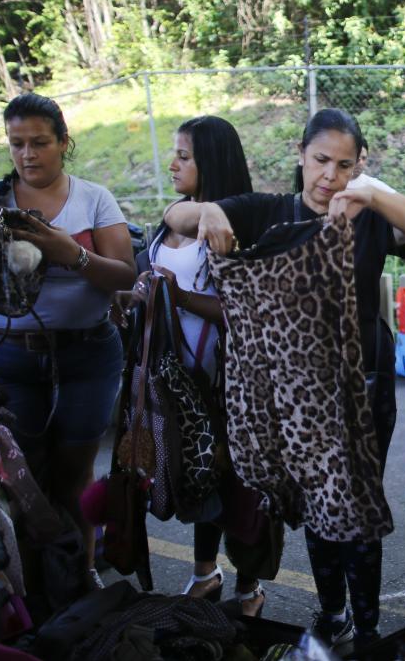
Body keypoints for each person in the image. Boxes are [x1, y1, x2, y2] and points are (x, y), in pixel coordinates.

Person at [164, 108, 405, 649]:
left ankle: (369, 623)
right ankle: (332, 612)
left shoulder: (369, 215)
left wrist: (369, 193)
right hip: (294, 394)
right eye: (320, 161)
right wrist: (209, 209)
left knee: (358, 505)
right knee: (314, 502)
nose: (330, 176)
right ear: (300, 157)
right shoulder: (268, 212)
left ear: (361, 166)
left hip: (362, 385)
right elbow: (174, 215)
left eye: (344, 165)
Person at [0, 93, 136, 590]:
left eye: (40, 142)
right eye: (17, 144)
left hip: (85, 353)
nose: (28, 155)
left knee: (73, 470)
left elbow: (124, 276)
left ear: (64, 142)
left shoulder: (93, 198)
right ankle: (31, 585)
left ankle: (81, 574)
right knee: (17, 473)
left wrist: (71, 254)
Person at [111, 115, 270, 616]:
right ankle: (205, 573)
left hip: (225, 378)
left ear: (213, 161)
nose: (173, 163)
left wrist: (179, 297)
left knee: (236, 481)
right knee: (197, 471)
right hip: (173, 376)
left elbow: (247, 310)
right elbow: (151, 274)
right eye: (175, 153)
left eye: (185, 154)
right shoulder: (177, 215)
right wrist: (138, 295)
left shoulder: (238, 227)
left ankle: (248, 587)